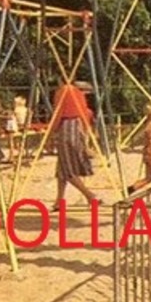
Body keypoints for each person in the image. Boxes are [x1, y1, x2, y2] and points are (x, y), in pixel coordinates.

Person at [48, 80, 99, 208]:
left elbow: (58, 113)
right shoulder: (77, 94)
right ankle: (59, 200)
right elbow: (84, 114)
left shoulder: (63, 91)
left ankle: (90, 195)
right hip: (77, 127)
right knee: (61, 169)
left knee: (68, 169)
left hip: (67, 127)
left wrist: (50, 133)